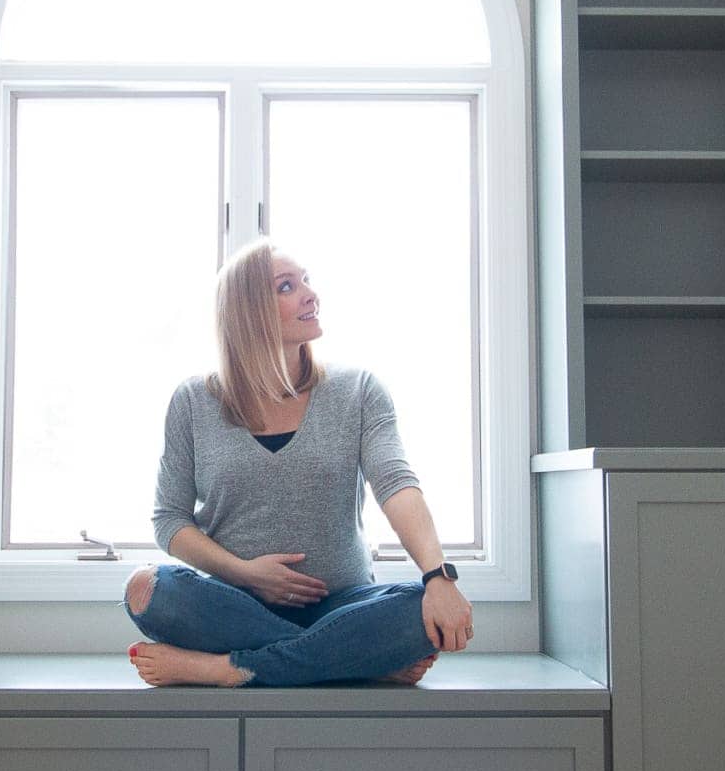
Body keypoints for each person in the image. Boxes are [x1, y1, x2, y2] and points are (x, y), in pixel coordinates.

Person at [124, 238, 473, 687]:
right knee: (145, 590)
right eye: (287, 286)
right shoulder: (193, 402)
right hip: (233, 607)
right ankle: (348, 658)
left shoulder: (359, 391)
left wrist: (437, 576)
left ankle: (225, 669)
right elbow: (169, 521)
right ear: (248, 311)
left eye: (306, 281)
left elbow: (396, 484)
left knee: (415, 609)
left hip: (344, 603)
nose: (310, 293)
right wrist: (247, 574)